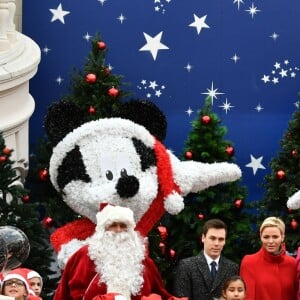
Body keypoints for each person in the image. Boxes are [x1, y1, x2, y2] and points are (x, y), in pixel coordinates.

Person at [53, 204, 187, 300]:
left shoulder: (141, 260)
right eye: (113, 225)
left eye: (123, 226)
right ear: (103, 229)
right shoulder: (84, 255)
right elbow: (63, 293)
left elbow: (160, 293)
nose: (118, 230)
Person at [172, 218, 239, 300]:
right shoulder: (186, 266)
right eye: (212, 238)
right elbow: (181, 298)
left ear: (225, 241)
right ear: (203, 238)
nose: (216, 243)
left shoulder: (232, 268)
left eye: (221, 239)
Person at [240, 216, 297, 300]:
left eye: (275, 237)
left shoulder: (293, 263)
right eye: (266, 237)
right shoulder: (249, 262)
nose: (270, 241)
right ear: (260, 236)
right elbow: (246, 297)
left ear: (282, 237)